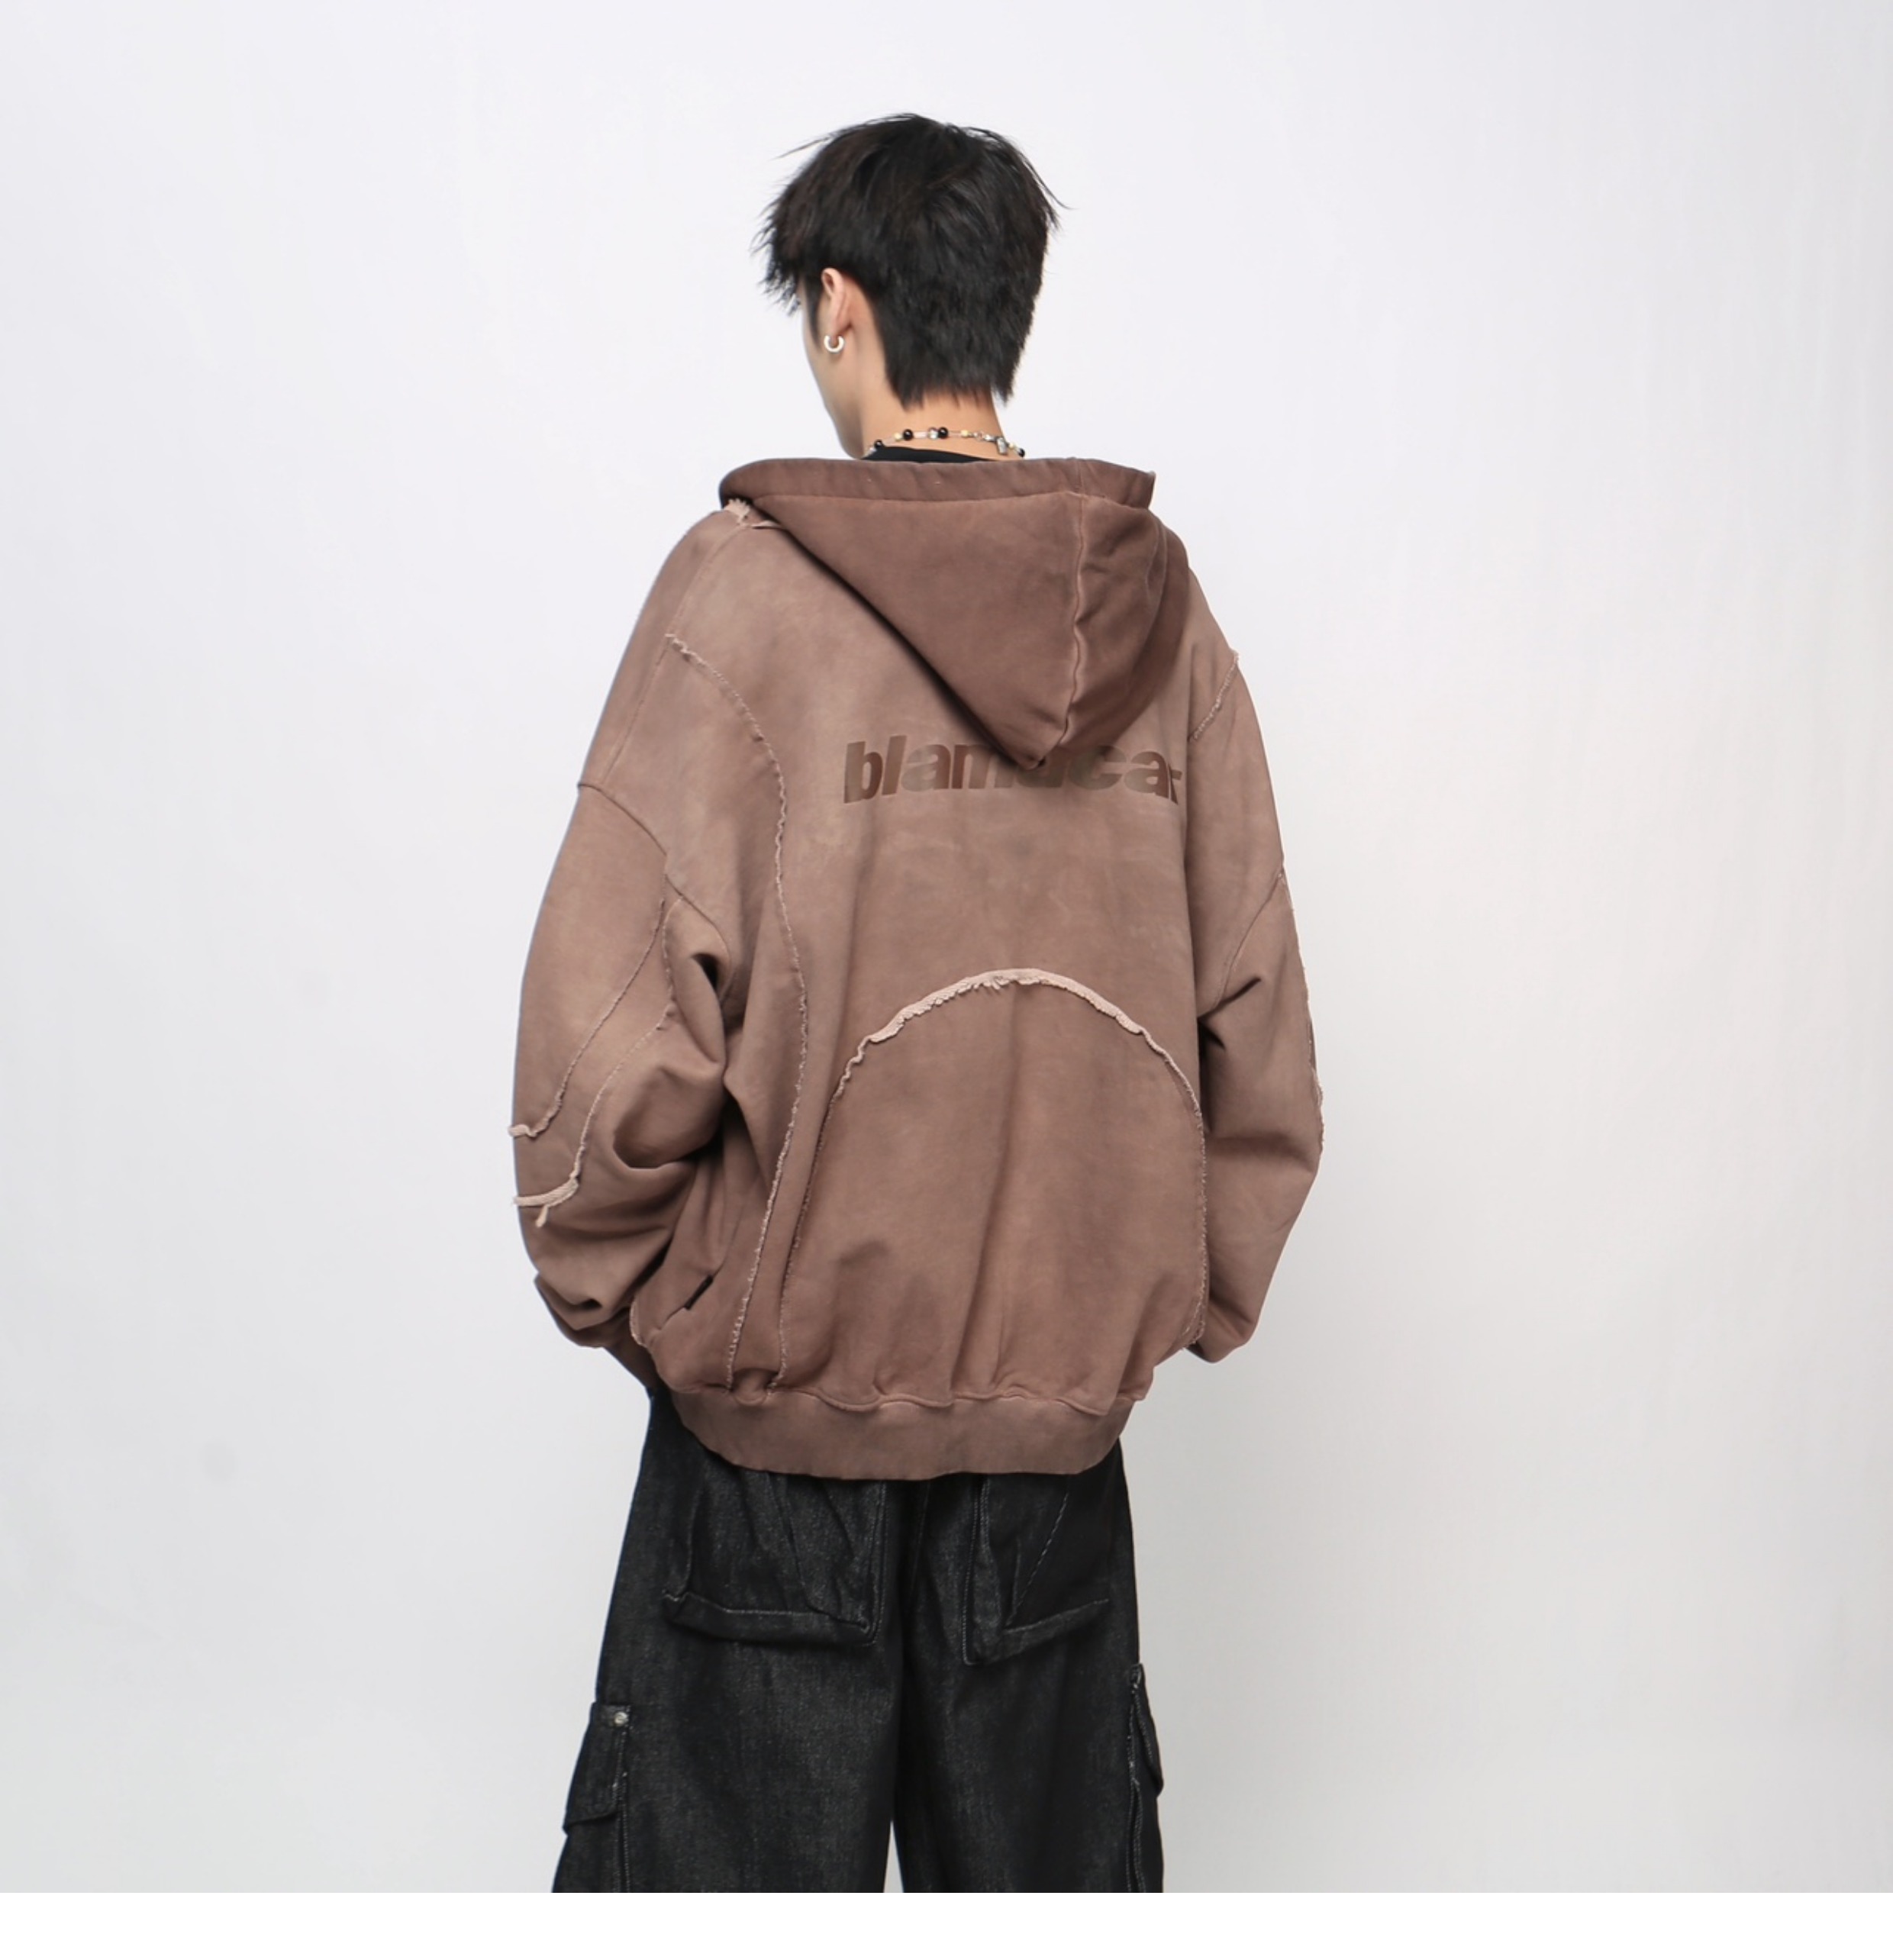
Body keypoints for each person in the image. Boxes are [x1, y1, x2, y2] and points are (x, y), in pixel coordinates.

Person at [509, 111, 1324, 1892]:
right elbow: (1254, 1034)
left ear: (838, 310)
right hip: (1049, 1482)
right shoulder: (1167, 628)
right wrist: (1111, 1330)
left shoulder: (738, 602)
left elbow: (602, 1051)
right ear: (1005, 315)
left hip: (763, 1470)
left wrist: (650, 1302)